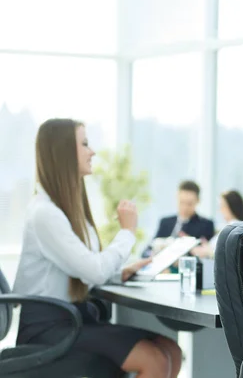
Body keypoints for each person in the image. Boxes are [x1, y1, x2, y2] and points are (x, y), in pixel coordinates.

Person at [13, 119, 182, 378]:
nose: (92, 151)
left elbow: (86, 268)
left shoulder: (66, 211)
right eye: (84, 144)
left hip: (72, 317)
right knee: (155, 360)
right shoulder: (44, 214)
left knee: (171, 350)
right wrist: (127, 232)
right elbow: (93, 272)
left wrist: (120, 272)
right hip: (48, 327)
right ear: (63, 152)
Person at [142, 180, 214, 271]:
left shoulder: (206, 225)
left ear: (198, 201)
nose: (184, 207)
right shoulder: (165, 222)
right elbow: (147, 251)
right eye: (181, 202)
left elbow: (206, 256)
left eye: (189, 204)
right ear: (177, 197)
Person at [192, 189, 243, 259]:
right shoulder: (239, 226)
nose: (220, 210)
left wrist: (207, 251)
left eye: (222, 206)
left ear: (231, 207)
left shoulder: (232, 227)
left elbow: (226, 254)